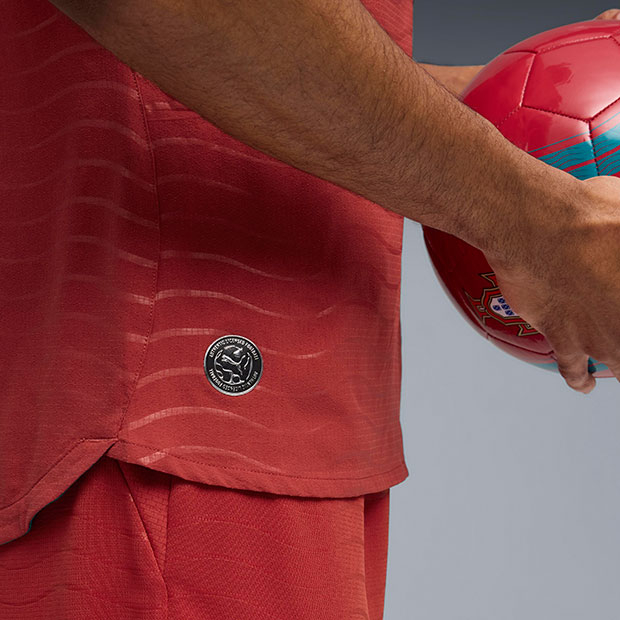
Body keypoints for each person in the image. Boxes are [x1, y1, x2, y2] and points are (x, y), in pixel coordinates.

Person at [0, 1, 619, 618]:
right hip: (184, 405)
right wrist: (538, 223)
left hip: (218, 411)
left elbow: (230, 43)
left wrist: (518, 96)